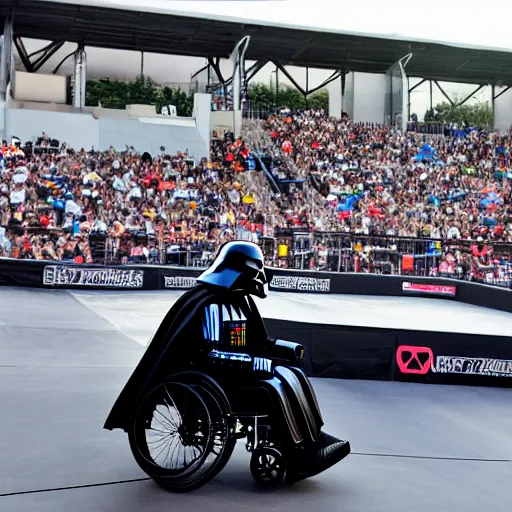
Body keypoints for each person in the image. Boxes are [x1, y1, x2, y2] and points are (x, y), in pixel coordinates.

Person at [104, 240, 350, 484]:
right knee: (273, 387)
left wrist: (283, 350)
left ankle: (312, 439)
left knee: (292, 374)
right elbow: (210, 354)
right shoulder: (210, 304)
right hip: (220, 377)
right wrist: (253, 363)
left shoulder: (240, 301)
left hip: (237, 371)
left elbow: (254, 342)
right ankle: (297, 455)